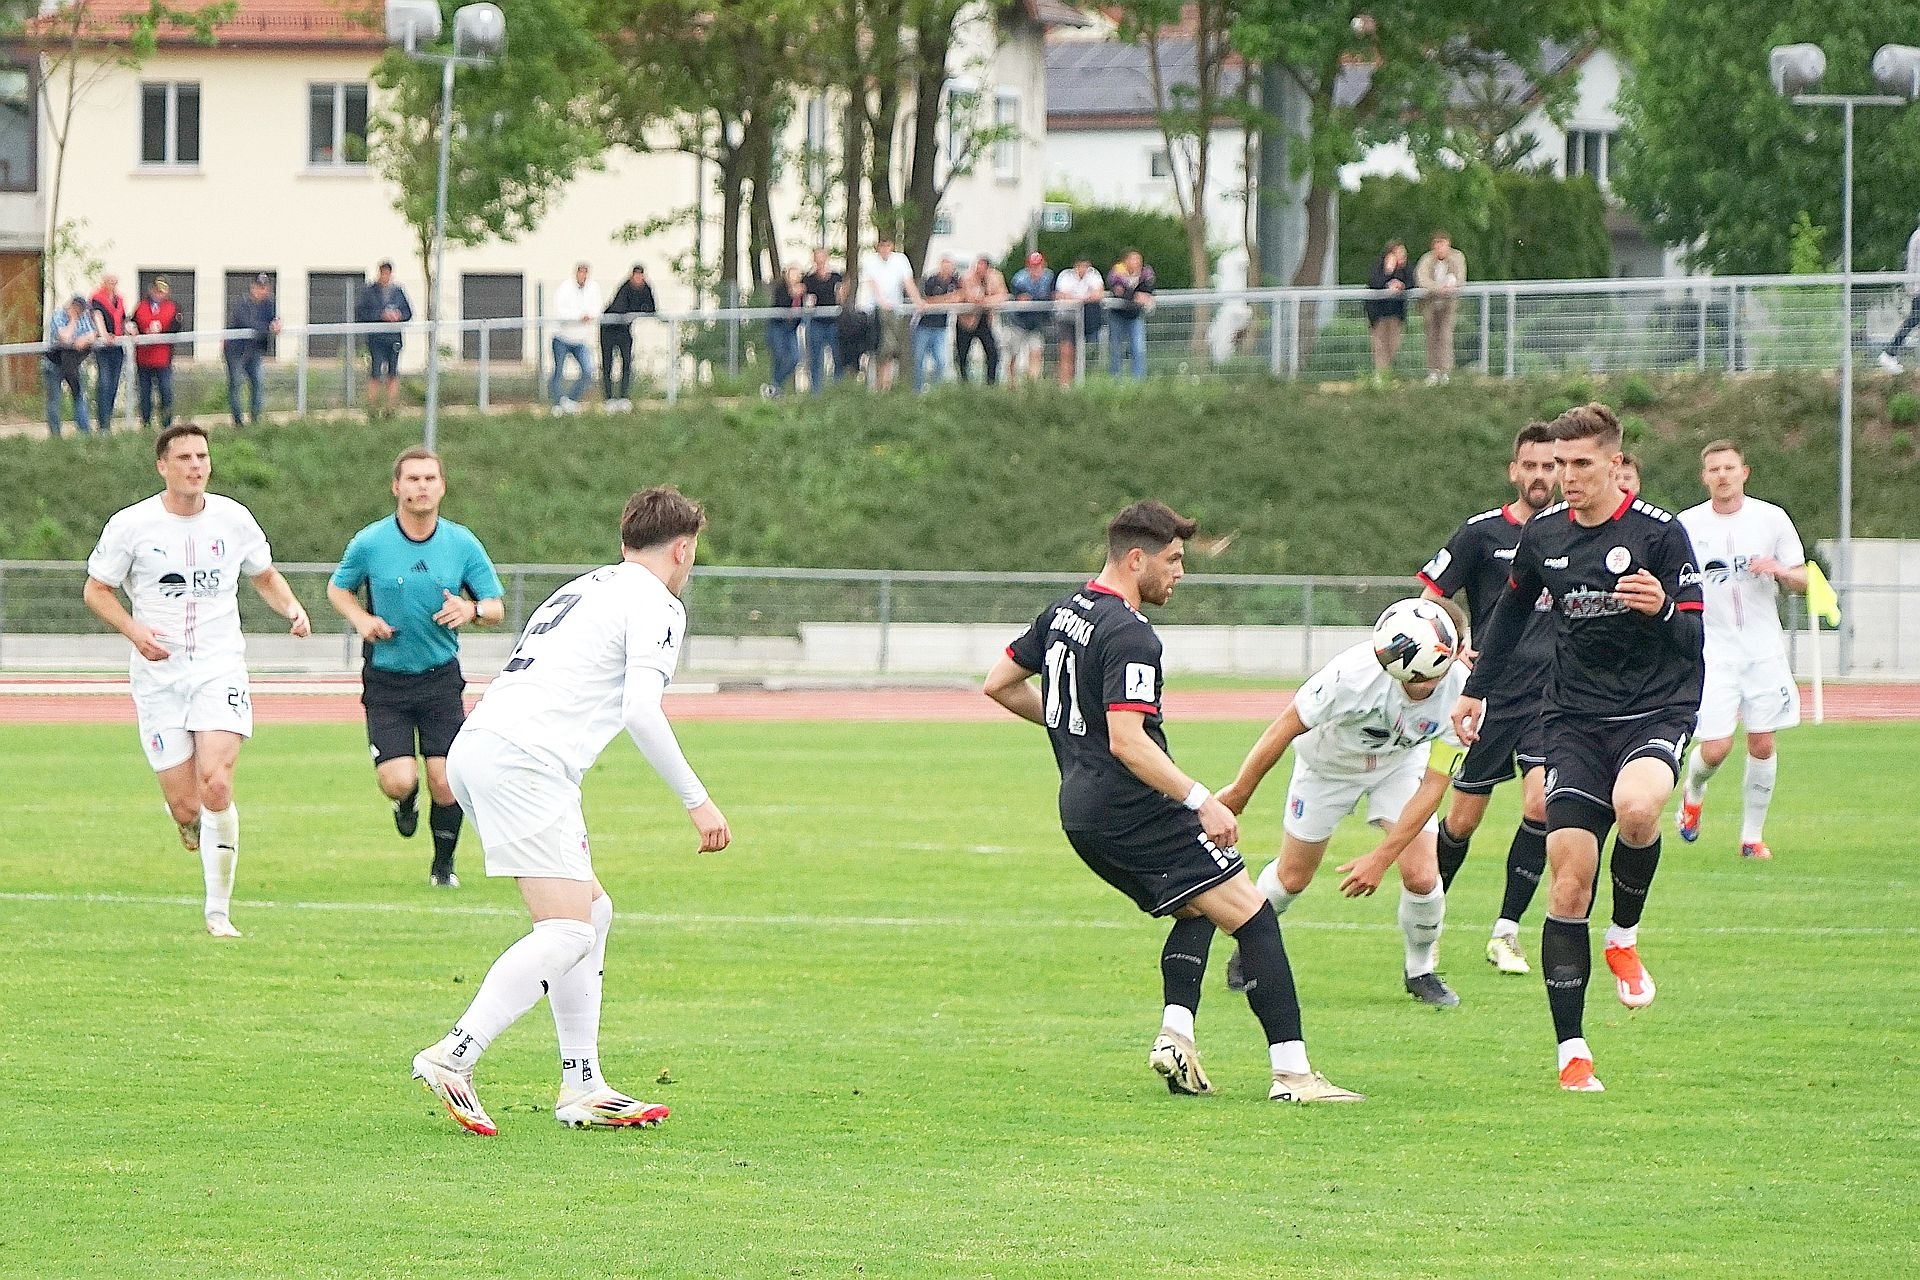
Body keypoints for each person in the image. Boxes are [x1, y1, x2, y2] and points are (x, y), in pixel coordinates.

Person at [983, 500, 1362, 1103]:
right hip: (1132, 805)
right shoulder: (1131, 634)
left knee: (1197, 907)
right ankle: (1293, 1075)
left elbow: (999, 684)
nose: (1180, 573)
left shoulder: (1063, 611)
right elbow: (1128, 741)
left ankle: (1176, 1037)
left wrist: (1075, 727)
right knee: (1254, 916)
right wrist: (1202, 800)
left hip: (1080, 807)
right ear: (1137, 559)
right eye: (1174, 559)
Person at [410, 486, 732, 1136]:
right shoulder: (657, 602)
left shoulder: (587, 585)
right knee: (568, 931)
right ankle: (455, 1054)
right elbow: (641, 710)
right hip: (526, 762)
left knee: (592, 912)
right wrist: (698, 802)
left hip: (485, 746)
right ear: (682, 548)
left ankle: (583, 1084)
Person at [1451, 403, 1705, 1093]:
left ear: (1615, 465)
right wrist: (1476, 690)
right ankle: (1572, 1051)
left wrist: (1663, 609)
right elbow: (1508, 618)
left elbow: (1694, 639)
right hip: (1571, 718)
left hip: (1654, 708)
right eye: (1560, 463)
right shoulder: (1544, 536)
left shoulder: (1660, 534)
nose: (1567, 476)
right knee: (1568, 883)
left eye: (1581, 463)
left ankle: (1622, 936)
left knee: (1637, 809)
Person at [82, 424, 313, 938]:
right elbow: (96, 591)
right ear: (162, 466)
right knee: (187, 805)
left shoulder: (233, 519)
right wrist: (135, 632)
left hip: (218, 666)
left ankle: (218, 913)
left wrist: (292, 608)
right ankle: (188, 822)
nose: (195, 466)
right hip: (159, 677)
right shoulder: (132, 525)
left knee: (217, 782)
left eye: (202, 456)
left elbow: (264, 575)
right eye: (184, 457)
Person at [1215, 616, 1471, 1008]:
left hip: (1399, 765)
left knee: (1422, 875)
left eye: (1427, 678)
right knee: (1292, 878)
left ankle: (1420, 970)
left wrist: (1380, 859)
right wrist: (1239, 793)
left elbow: (1433, 788)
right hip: (1326, 768)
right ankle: (1248, 945)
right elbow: (1283, 728)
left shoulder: (1466, 697)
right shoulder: (1352, 674)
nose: (1419, 686)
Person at [326, 447, 505, 888]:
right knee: (398, 780)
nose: (421, 487)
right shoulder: (371, 542)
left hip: (440, 678)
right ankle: (405, 802)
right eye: (413, 479)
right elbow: (338, 588)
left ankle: (443, 868)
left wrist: (471, 610)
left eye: (429, 478)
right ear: (396, 487)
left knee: (446, 780)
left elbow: (496, 607)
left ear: (442, 487)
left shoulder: (461, 543)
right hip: (386, 680)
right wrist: (362, 620)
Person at [1419, 422, 1561, 976]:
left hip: (1553, 696)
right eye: (1531, 466)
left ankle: (1506, 932)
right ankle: (1429, 927)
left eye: (1550, 466)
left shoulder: (1573, 535)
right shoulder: (1481, 534)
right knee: (1461, 821)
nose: (1540, 475)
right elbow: (1429, 599)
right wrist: (1455, 649)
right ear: (1513, 471)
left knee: (1541, 806)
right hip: (1487, 697)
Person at [1676, 441, 1809, 861]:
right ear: (1704, 477)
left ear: (1744, 472)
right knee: (1716, 748)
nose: (1722, 475)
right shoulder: (1687, 524)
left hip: (1763, 648)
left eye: (1729, 468)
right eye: (1714, 469)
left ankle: (1751, 838)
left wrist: (1779, 570)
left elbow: (1804, 579)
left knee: (1763, 743)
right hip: (1713, 650)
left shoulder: (1771, 518)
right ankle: (1693, 791)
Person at [859, 237, 919, 391]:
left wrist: (918, 301)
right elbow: (871, 282)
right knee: (878, 349)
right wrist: (881, 301)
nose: (885, 249)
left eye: (887, 245)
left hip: (893, 312)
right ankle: (875, 386)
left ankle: (886, 386)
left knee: (889, 349)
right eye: (882, 245)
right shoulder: (869, 260)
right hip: (874, 312)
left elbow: (908, 282)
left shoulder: (900, 260)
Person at [355, 261, 413, 419]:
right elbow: (361, 313)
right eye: (382, 273)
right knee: (375, 372)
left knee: (393, 373)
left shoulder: (398, 292)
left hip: (393, 338)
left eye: (387, 273)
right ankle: (372, 409)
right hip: (376, 339)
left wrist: (399, 316)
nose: (384, 276)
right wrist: (381, 315)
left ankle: (390, 408)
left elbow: (408, 313)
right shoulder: (370, 292)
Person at [224, 273, 281, 427]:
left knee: (257, 383)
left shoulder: (269, 304)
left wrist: (277, 324)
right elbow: (247, 323)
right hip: (236, 350)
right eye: (259, 287)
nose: (262, 290)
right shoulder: (242, 304)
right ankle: (238, 422)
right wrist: (268, 327)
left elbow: (273, 320)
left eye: (265, 287)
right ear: (253, 287)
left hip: (255, 350)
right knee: (236, 384)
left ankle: (255, 420)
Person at [131, 277, 184, 431]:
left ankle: (166, 424)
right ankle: (146, 423)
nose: (158, 293)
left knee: (165, 391)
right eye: (156, 290)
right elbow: (133, 322)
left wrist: (161, 331)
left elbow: (177, 326)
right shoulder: (141, 306)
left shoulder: (173, 307)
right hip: (143, 359)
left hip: (163, 359)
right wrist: (137, 330)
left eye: (162, 291)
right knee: (144, 393)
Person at [548, 262, 601, 415]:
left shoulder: (593, 288)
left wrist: (590, 315)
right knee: (558, 372)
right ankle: (557, 403)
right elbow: (560, 312)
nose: (583, 276)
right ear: (576, 273)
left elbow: (597, 307)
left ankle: (570, 400)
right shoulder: (565, 288)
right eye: (580, 272)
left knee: (588, 372)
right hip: (562, 338)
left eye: (585, 273)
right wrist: (579, 316)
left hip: (580, 340)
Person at [602, 264, 656, 411]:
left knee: (626, 362)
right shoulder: (625, 288)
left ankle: (624, 397)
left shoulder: (646, 289)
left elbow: (652, 307)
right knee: (608, 363)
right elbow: (619, 309)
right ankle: (609, 398)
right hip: (609, 329)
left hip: (624, 330)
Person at [1415, 232, 1465, 384]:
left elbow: (1460, 278)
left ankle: (1445, 372)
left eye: (1443, 243)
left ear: (1448, 244)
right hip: (1430, 304)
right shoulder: (1426, 259)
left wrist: (1450, 287)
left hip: (1448, 304)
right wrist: (1438, 288)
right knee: (1431, 338)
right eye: (1437, 244)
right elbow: (1422, 279)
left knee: (1446, 337)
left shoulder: (1457, 257)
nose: (1440, 247)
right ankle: (1432, 372)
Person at [45, 295, 96, 437]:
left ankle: (84, 433)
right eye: (78, 310)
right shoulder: (58, 316)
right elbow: (65, 337)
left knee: (79, 396)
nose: (80, 314)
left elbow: (92, 334)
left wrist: (83, 340)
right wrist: (73, 320)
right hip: (55, 363)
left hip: (73, 363)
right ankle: (55, 436)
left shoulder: (83, 316)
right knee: (54, 400)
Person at [1052, 254, 1106, 387]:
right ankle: (1064, 385)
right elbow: (1061, 295)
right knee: (1066, 351)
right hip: (1066, 318)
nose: (1083, 269)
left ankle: (1077, 383)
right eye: (1080, 265)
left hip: (1084, 318)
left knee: (1079, 351)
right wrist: (1084, 298)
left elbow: (1099, 294)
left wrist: (1077, 299)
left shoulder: (1093, 275)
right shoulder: (1065, 276)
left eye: (1085, 266)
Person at [912, 253, 962, 393]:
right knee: (919, 361)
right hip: (924, 326)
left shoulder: (955, 281)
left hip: (941, 327)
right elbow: (927, 300)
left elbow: (961, 295)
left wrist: (950, 299)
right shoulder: (931, 280)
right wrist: (948, 299)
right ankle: (917, 391)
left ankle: (936, 391)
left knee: (941, 361)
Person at [955, 254, 1007, 384]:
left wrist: (986, 300)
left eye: (982, 267)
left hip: (985, 319)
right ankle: (964, 382)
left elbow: (1002, 296)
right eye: (977, 266)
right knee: (962, 354)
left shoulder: (995, 277)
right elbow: (970, 297)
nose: (978, 270)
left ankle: (991, 382)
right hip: (966, 320)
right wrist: (983, 300)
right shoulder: (967, 277)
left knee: (992, 352)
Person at [1365, 241, 1414, 377]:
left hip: (1396, 314)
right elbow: (1374, 283)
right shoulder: (1378, 266)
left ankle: (1387, 372)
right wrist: (1388, 272)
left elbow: (1412, 282)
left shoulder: (1405, 269)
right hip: (1379, 314)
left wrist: (1401, 285)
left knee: (1393, 344)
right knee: (1380, 345)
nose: (1403, 257)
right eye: (1399, 254)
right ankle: (1381, 376)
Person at [1878, 216, 1920, 374]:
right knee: (1913, 320)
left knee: (1913, 320)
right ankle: (1889, 352)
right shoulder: (1918, 237)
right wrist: (1912, 287)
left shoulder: (1916, 236)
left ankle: (1890, 352)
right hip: (1918, 287)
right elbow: (1913, 265)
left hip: (1916, 286)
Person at [1105, 250, 1156, 380]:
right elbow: (1119, 292)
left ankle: (1138, 381)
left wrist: (1137, 295)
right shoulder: (1116, 274)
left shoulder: (1145, 273)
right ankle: (1116, 380)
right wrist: (1135, 296)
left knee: (1138, 348)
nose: (1137, 263)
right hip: (1117, 315)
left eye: (1138, 260)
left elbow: (1148, 290)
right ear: (1126, 261)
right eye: (1133, 259)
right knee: (1116, 349)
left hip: (1135, 315)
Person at [1006, 251, 1054, 385]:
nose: (1036, 269)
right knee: (1013, 353)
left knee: (1036, 351)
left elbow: (1050, 296)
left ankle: (1032, 384)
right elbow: (1022, 298)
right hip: (1018, 322)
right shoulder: (1019, 279)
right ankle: (1011, 382)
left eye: (1038, 265)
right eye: (1033, 266)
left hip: (1036, 322)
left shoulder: (1049, 277)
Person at [90, 273, 129, 428]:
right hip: (103, 348)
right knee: (104, 383)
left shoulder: (119, 300)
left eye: (114, 282)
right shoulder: (97, 299)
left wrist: (129, 330)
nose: (112, 285)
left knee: (113, 385)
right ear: (104, 283)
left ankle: (108, 418)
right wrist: (105, 335)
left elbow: (123, 319)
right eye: (110, 282)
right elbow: (97, 317)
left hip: (117, 346)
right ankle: (103, 422)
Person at [802, 248, 843, 392]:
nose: (820, 261)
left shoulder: (836, 277)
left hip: (834, 323)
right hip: (816, 323)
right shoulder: (808, 279)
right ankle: (816, 391)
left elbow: (841, 296)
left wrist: (841, 295)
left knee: (838, 356)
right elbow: (806, 300)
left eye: (822, 258)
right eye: (817, 258)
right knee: (815, 358)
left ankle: (838, 389)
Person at [766, 264, 807, 396]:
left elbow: (802, 311)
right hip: (778, 327)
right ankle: (775, 389)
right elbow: (780, 304)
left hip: (791, 329)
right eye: (792, 275)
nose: (794, 278)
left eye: (797, 275)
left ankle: (775, 384)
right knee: (779, 355)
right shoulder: (780, 288)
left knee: (795, 357)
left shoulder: (802, 290)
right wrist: (791, 295)